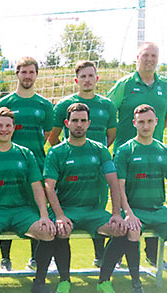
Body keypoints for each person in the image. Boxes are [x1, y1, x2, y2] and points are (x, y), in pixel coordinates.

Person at [42, 103, 138, 293]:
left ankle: (104, 281)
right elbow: (49, 187)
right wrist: (59, 215)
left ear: (89, 123)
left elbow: (113, 182)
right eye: (75, 121)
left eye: (83, 121)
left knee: (121, 229)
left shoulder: (100, 150)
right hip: (67, 210)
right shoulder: (56, 152)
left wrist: (117, 214)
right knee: (62, 229)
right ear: (66, 123)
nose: (79, 124)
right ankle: (64, 279)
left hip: (94, 212)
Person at [0, 107, 57, 293]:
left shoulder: (25, 154)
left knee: (48, 231)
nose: (4, 129)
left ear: (13, 128)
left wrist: (43, 215)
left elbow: (37, 187)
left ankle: (39, 282)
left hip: (22, 211)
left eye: (8, 126)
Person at [112, 104, 167, 293]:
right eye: (141, 122)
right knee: (133, 230)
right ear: (134, 123)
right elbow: (119, 187)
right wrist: (128, 213)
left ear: (156, 122)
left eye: (150, 121)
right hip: (136, 211)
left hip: (159, 211)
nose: (145, 126)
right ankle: (137, 286)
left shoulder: (164, 150)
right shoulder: (125, 151)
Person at [108, 42, 167, 269]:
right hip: (126, 154)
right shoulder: (124, 84)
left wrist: (151, 137)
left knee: (152, 203)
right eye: (145, 55)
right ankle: (117, 256)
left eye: (154, 55)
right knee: (122, 204)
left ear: (158, 58)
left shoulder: (166, 85)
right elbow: (110, 113)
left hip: (153, 155)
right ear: (137, 57)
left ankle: (153, 255)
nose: (150, 59)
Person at [47, 61, 118, 268]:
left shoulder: (107, 105)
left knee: (97, 208)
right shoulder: (64, 105)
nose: (87, 80)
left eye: (91, 75)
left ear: (97, 78)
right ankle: (57, 261)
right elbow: (53, 137)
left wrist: (95, 155)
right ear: (77, 80)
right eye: (83, 76)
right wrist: (70, 156)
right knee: (66, 211)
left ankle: (100, 255)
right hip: (71, 168)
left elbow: (110, 136)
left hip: (97, 167)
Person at [0, 56, 53, 271]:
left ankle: (35, 258)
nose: (27, 76)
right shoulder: (5, 103)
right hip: (7, 166)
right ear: (17, 73)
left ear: (36, 74)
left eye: (31, 72)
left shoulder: (44, 104)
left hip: (35, 164)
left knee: (34, 210)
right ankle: (5, 259)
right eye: (23, 72)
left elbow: (46, 134)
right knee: (5, 206)